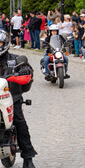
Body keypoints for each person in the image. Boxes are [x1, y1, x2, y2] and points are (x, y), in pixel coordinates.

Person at [0, 30, 37, 168]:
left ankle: (28, 157)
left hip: (10, 97)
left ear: (5, 44)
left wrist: (25, 70)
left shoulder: (14, 59)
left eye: (0, 43)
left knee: (20, 122)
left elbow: (27, 68)